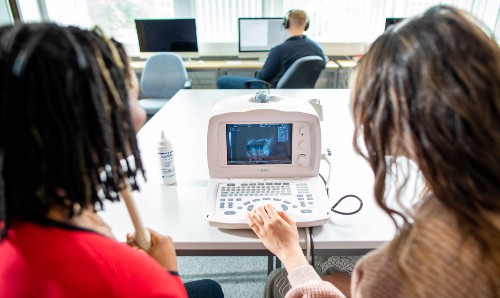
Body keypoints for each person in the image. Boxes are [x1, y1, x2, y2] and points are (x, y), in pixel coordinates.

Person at [248, 5, 500, 297]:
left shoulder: (390, 272)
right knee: (334, 261)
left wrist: (290, 251)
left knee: (280, 278)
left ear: (395, 118)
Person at [0, 23, 223, 298]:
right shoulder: (127, 278)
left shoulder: (15, 220)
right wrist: (166, 274)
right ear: (91, 118)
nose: (141, 114)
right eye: (132, 97)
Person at [217, 9, 326, 89]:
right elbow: (322, 64)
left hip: (272, 91)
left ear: (286, 24)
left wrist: (257, 74)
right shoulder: (317, 49)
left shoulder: (280, 50)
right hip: (298, 93)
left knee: (222, 80)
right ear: (306, 25)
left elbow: (263, 77)